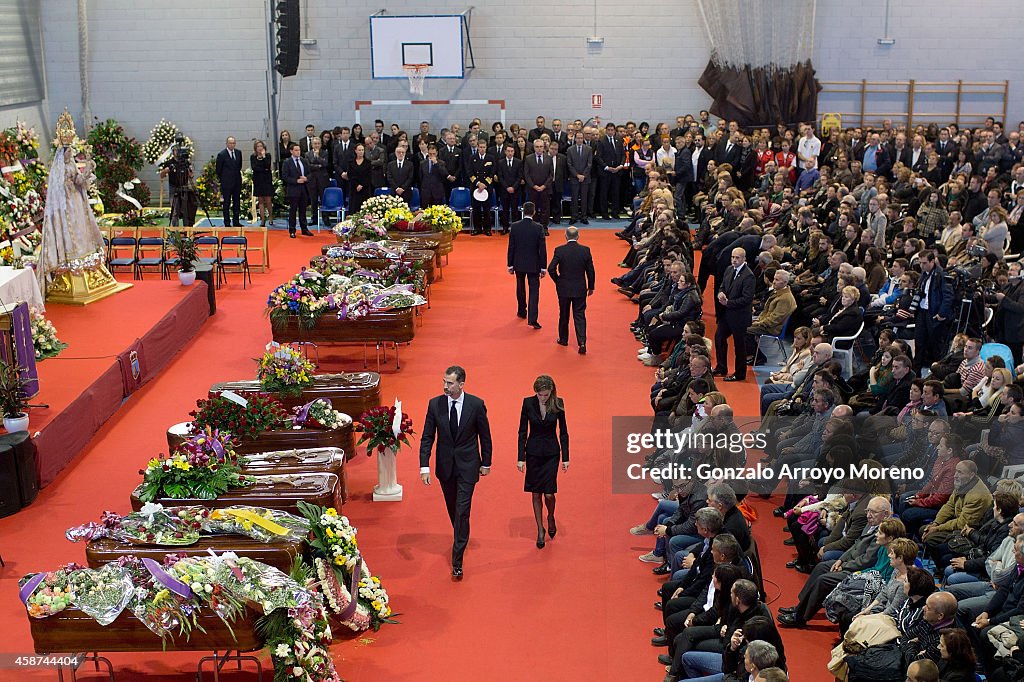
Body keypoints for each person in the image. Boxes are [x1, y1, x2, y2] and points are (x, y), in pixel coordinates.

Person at [419, 365, 493, 581]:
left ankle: (457, 560)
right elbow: (427, 437)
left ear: (461, 384)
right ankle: (462, 534)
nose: (445, 386)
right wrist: (425, 466)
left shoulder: (476, 405)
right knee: (454, 509)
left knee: (462, 509)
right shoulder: (435, 405)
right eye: (444, 382)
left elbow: (485, 436)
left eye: (450, 383)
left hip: (468, 466)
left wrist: (486, 462)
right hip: (445, 467)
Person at [37, 109, 107, 295]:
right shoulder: (58, 168)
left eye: (71, 151)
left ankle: (85, 259)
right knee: (71, 231)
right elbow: (56, 189)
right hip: (65, 206)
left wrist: (88, 171)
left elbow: (79, 182)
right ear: (62, 152)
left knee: (82, 229)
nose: (70, 154)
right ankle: (71, 260)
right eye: (68, 151)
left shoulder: (71, 165)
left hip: (76, 203)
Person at [517, 375, 569, 549]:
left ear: (551, 392)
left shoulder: (558, 403)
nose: (543, 398)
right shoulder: (527, 403)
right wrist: (520, 457)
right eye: (540, 395)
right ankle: (540, 529)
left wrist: (566, 457)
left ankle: (551, 516)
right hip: (533, 453)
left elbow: (563, 432)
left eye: (546, 395)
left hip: (551, 454)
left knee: (549, 494)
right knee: (535, 493)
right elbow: (522, 431)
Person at [548, 226, 596, 354]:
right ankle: (582, 343)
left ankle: (563, 339)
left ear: (565, 236)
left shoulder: (559, 250)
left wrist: (558, 280)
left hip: (563, 288)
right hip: (580, 288)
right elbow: (590, 271)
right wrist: (591, 287)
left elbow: (551, 268)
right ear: (578, 236)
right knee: (579, 315)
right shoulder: (585, 251)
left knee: (563, 314)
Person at [714, 247, 756, 382]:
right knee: (719, 337)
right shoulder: (729, 270)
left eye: (737, 258)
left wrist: (729, 303)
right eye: (733, 257)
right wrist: (720, 292)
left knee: (739, 346)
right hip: (726, 314)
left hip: (739, 317)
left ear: (744, 259)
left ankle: (739, 373)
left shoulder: (748, 276)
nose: (734, 260)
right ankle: (721, 367)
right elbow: (722, 286)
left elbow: (747, 298)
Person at [507, 202, 547, 328]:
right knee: (534, 291)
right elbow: (542, 249)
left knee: (520, 287)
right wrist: (543, 267)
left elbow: (511, 247)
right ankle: (533, 319)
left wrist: (510, 264)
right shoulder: (539, 227)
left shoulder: (515, 226)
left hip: (518, 263)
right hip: (534, 264)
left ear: (523, 211)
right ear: (534, 212)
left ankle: (521, 311)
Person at [281, 142, 312, 238]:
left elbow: (310, 173)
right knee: (293, 210)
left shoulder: (304, 161)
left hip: (304, 189)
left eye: (299, 150)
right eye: (296, 150)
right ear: (291, 151)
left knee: (303, 210)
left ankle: (304, 229)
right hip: (293, 189)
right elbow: (285, 177)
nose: (298, 152)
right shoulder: (287, 162)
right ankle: (292, 230)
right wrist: (296, 181)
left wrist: (306, 178)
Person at [523, 138, 554, 228]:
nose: (539, 148)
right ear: (534, 147)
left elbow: (551, 174)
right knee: (533, 209)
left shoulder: (549, 158)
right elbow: (526, 174)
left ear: (544, 147)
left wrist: (544, 186)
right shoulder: (528, 159)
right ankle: (534, 227)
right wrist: (534, 186)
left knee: (545, 209)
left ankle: (544, 227)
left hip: (545, 189)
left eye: (541, 147)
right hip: (532, 189)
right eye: (537, 147)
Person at [215, 136, 243, 226]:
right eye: (230, 143)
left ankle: (236, 221)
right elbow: (218, 170)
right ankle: (227, 222)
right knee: (226, 203)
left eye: (233, 143)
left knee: (236, 203)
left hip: (237, 183)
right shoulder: (221, 155)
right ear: (227, 144)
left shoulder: (238, 153)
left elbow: (239, 166)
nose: (232, 145)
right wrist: (224, 179)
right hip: (226, 184)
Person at [567, 134, 594, 224]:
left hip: (585, 178)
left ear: (583, 139)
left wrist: (583, 175)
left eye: (581, 138)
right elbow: (569, 165)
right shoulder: (570, 150)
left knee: (584, 198)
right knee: (574, 198)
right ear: (575, 139)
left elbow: (589, 164)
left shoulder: (589, 149)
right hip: (574, 178)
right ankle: (574, 217)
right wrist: (577, 175)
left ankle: (584, 217)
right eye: (578, 138)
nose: (579, 140)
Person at [305, 136, 329, 226]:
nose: (317, 145)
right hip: (312, 180)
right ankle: (314, 218)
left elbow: (325, 164)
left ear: (321, 144)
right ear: (312, 145)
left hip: (322, 179)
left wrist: (318, 157)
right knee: (313, 200)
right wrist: (318, 165)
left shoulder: (325, 153)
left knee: (324, 199)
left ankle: (325, 218)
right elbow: (308, 166)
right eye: (315, 144)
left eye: (318, 143)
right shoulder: (307, 154)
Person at [249, 140, 274, 227]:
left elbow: (267, 165)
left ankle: (270, 217)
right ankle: (262, 220)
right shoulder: (253, 157)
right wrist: (263, 168)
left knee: (268, 200)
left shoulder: (267, 155)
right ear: (255, 148)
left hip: (266, 180)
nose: (259, 148)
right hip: (258, 180)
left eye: (261, 146)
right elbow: (254, 168)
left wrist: (263, 157)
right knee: (260, 201)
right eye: (258, 146)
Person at [418, 143, 447, 208]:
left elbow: (444, 174)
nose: (432, 156)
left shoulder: (441, 163)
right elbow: (420, 177)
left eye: (434, 154)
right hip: (426, 191)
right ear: (428, 153)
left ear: (437, 153)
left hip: (437, 191)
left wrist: (436, 163)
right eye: (430, 154)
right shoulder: (422, 163)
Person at [347, 143, 372, 215]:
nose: (361, 151)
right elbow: (350, 175)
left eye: (362, 150)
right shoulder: (351, 162)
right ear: (355, 151)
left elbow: (369, 176)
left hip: (365, 189)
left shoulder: (368, 163)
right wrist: (356, 185)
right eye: (359, 150)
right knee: (354, 208)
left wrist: (361, 184)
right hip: (354, 188)